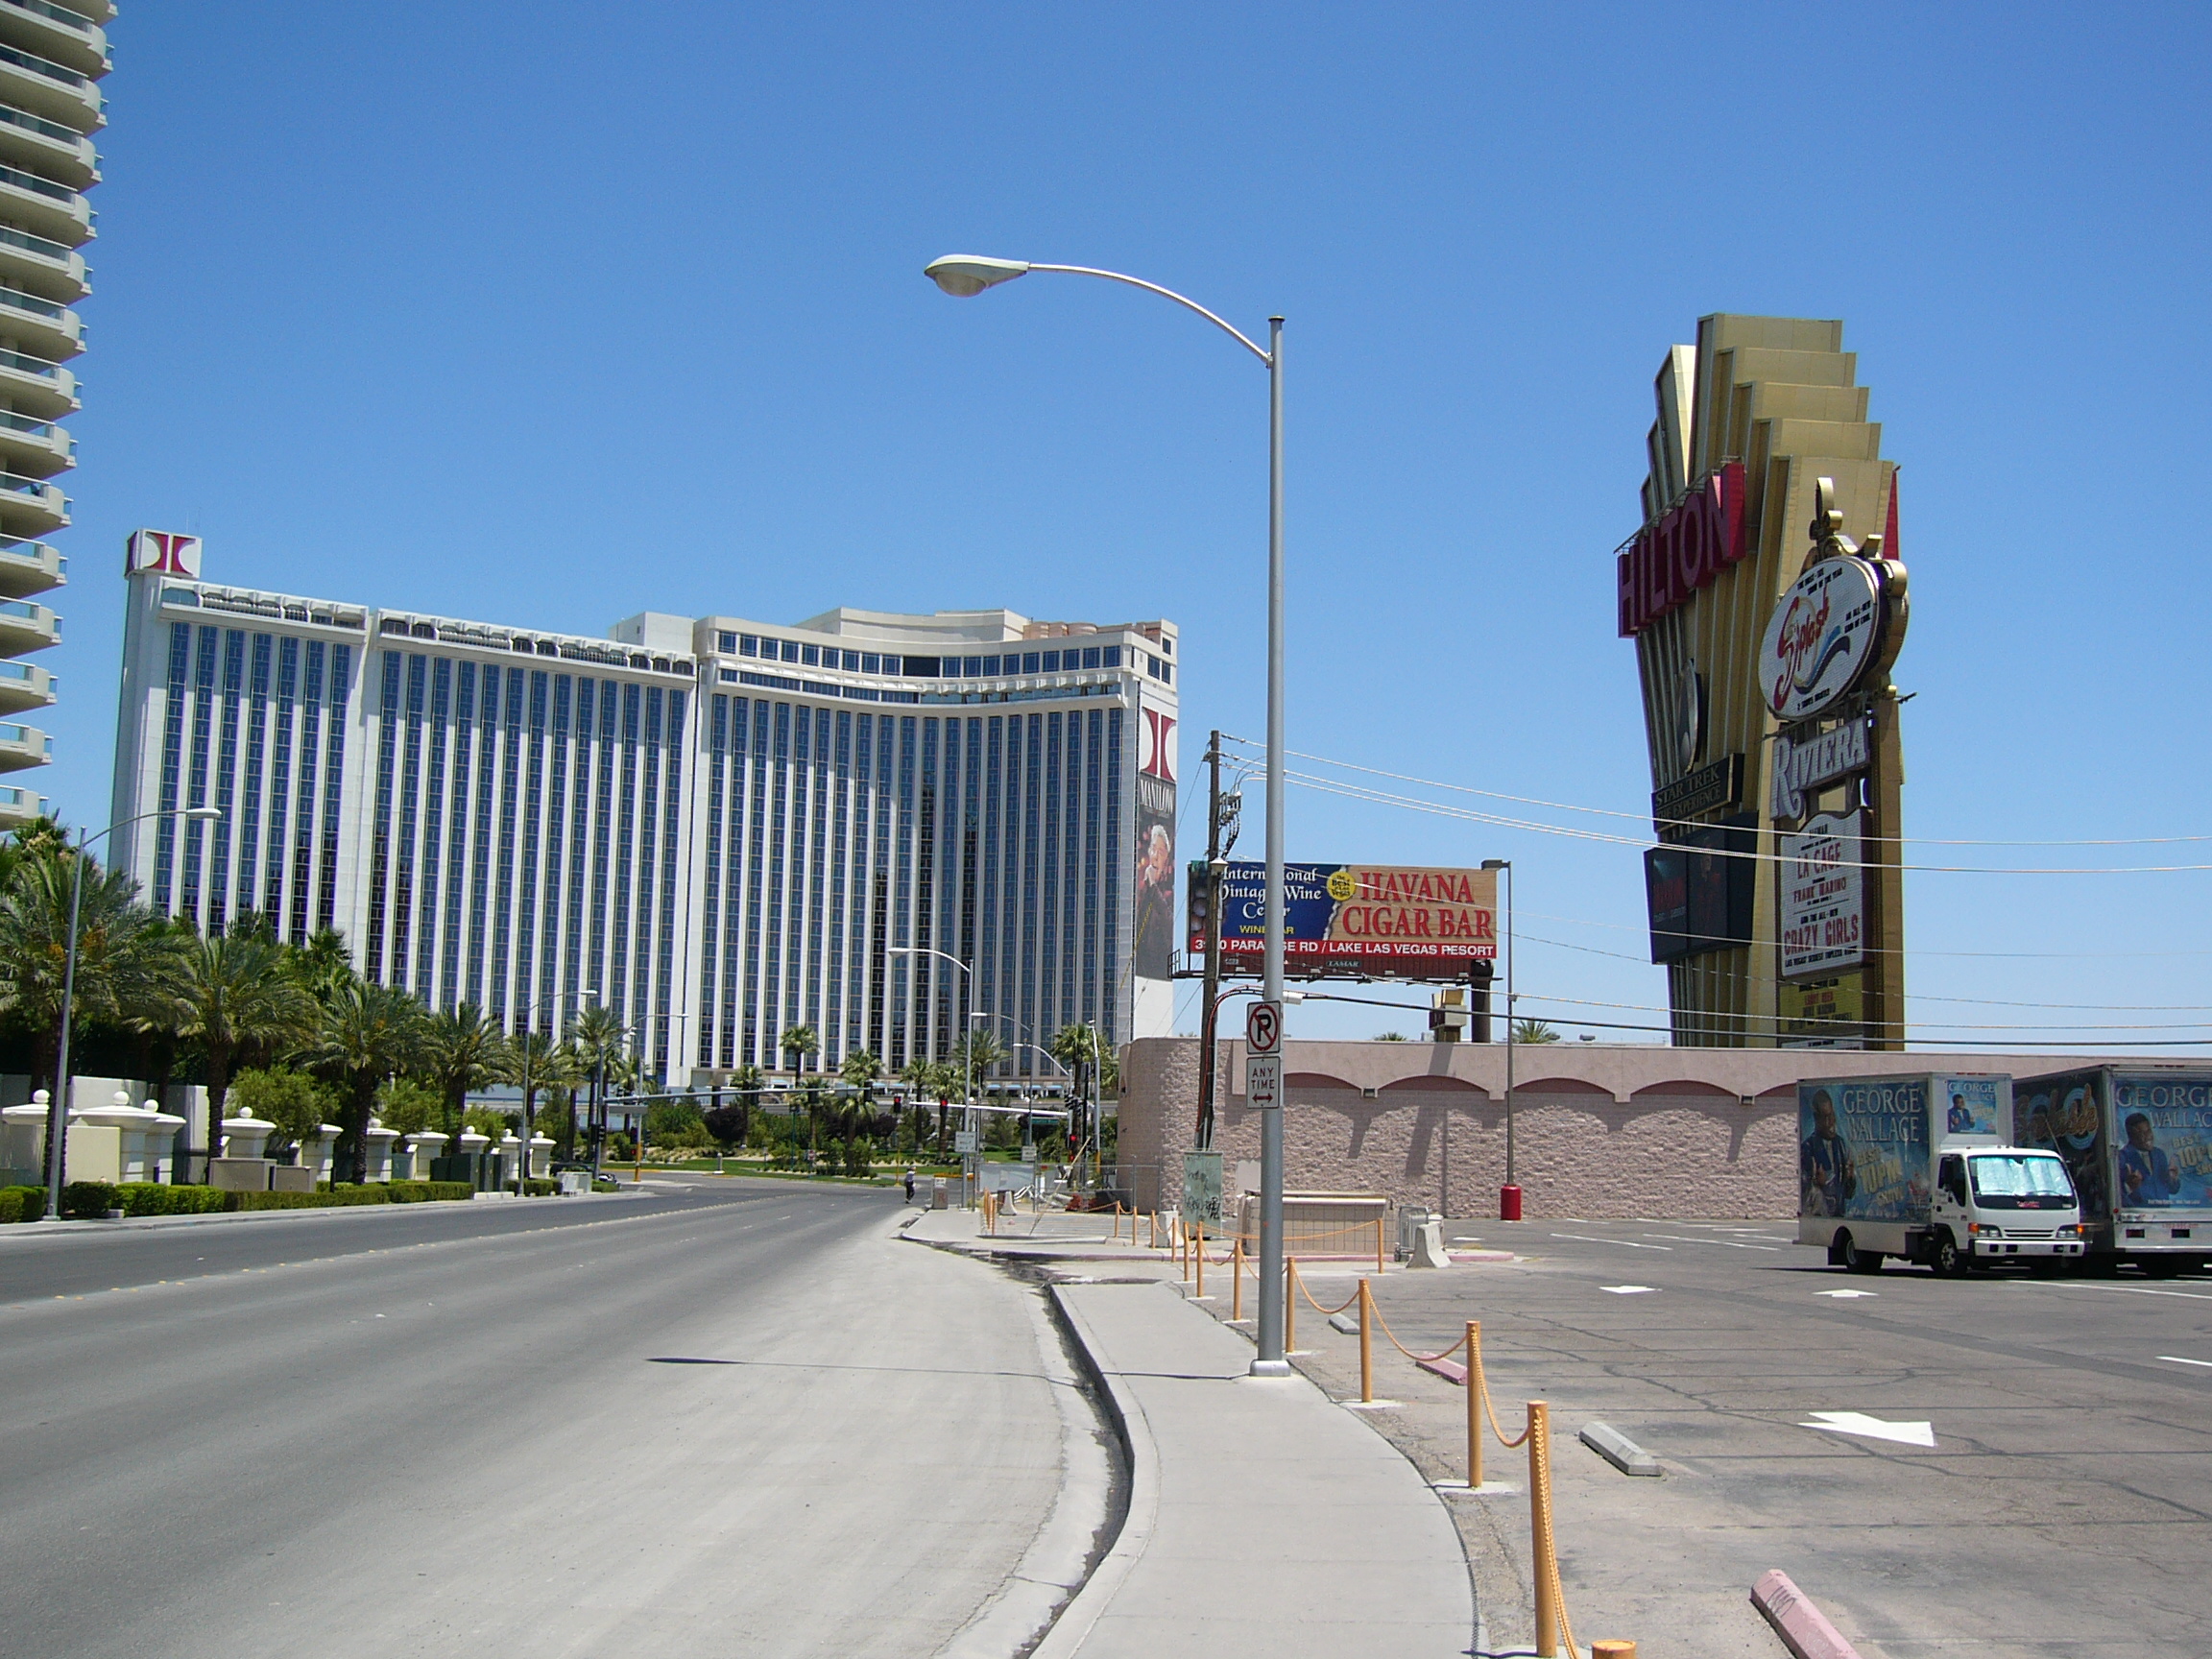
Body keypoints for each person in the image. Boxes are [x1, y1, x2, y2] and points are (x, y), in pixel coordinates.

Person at [1800, 1091, 1855, 1217]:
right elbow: (1805, 1194)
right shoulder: (1808, 1148)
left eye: (1831, 1116)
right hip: (1821, 1215)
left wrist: (1850, 1177)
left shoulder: (1840, 1145)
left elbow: (1848, 1194)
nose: (1829, 1122)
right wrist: (1816, 1184)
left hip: (1839, 1215)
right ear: (1816, 1118)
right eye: (1825, 1117)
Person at [2118, 1114, 2178, 1205]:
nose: (2147, 1137)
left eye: (2148, 1131)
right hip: (2138, 1212)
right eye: (2141, 1133)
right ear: (2131, 1136)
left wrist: (2172, 1179)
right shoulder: (2122, 1157)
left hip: (2164, 1212)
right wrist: (2129, 1188)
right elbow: (2117, 1195)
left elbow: (2172, 1189)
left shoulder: (2159, 1154)